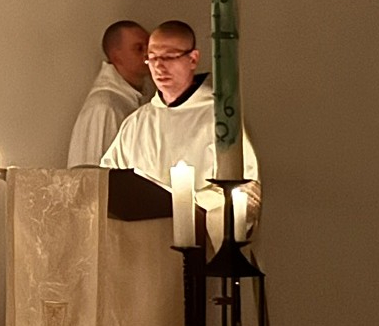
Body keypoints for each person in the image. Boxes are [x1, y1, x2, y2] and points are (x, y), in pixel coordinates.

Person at [101, 19, 261, 238]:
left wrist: (182, 206)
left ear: (193, 59)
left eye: (168, 57)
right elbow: (107, 183)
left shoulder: (221, 120)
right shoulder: (136, 123)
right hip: (144, 245)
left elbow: (244, 190)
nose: (159, 67)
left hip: (200, 243)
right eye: (152, 58)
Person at [67, 20, 151, 168]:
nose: (148, 55)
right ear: (116, 56)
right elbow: (92, 172)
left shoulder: (138, 100)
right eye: (139, 48)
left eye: (149, 47)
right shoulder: (104, 106)